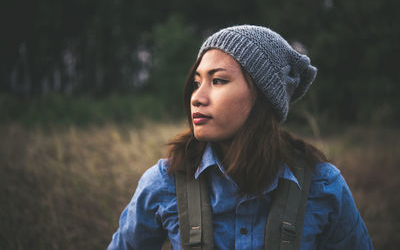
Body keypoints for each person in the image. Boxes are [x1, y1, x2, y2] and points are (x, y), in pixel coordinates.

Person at [108, 25, 373, 249]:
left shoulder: (323, 185)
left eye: (218, 81)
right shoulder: (164, 182)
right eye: (197, 83)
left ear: (262, 96)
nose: (197, 98)